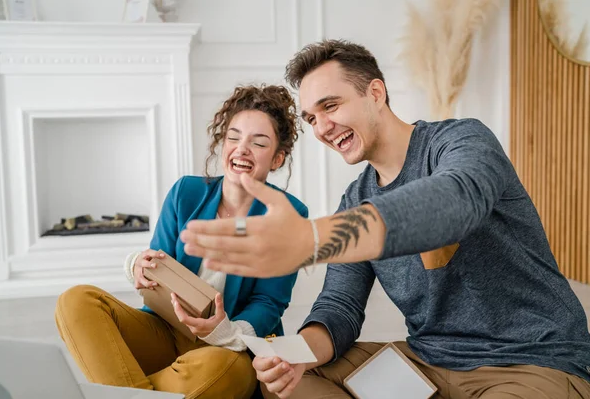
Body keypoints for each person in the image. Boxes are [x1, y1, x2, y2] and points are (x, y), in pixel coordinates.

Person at [179, 40, 590, 399]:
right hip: (428, 360)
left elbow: (457, 200)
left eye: (331, 106)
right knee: (281, 382)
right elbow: (340, 305)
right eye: (311, 118)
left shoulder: (460, 140)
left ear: (375, 92)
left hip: (532, 358)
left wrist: (315, 238)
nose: (322, 127)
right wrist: (295, 356)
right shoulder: (356, 197)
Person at [54, 84, 308, 399]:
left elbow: (270, 303)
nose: (241, 149)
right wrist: (137, 264)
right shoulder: (186, 192)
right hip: (164, 330)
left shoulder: (290, 216)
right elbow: (156, 261)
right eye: (233, 137)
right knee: (75, 301)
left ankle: (124, 387)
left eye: (258, 143)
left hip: (227, 348)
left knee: (222, 371)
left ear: (277, 159)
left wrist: (224, 331)